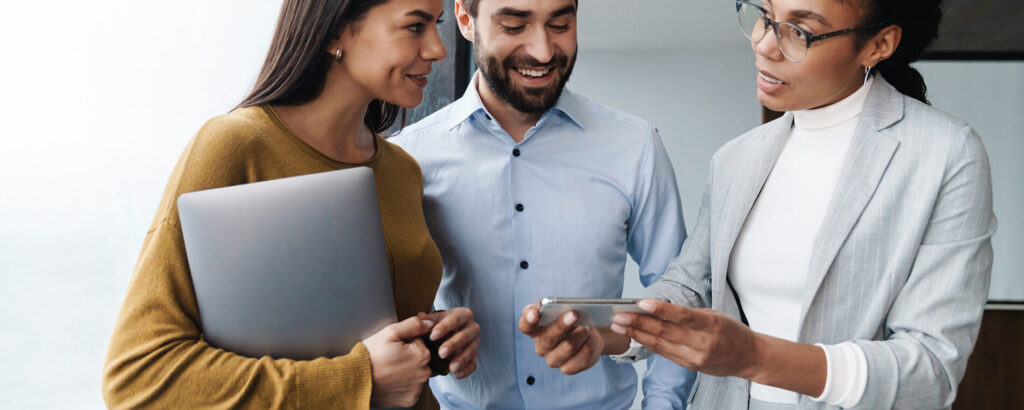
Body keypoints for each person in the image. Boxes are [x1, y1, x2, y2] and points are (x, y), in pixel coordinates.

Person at [522, 0, 997, 408]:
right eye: (765, 15)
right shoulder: (737, 158)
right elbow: (690, 287)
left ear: (879, 44)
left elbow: (931, 371)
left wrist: (756, 358)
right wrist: (609, 333)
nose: (764, 43)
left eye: (799, 31)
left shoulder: (944, 154)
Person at [102, 1, 481, 409]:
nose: (438, 49)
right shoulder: (233, 148)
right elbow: (137, 377)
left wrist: (434, 344)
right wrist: (359, 379)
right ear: (336, 31)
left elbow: (359, 334)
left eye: (436, 25)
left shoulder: (402, 171)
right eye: (415, 27)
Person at [392, 0, 696, 408]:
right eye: (514, 25)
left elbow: (681, 303)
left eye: (560, 23)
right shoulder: (408, 160)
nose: (543, 51)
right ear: (466, 20)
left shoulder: (636, 147)